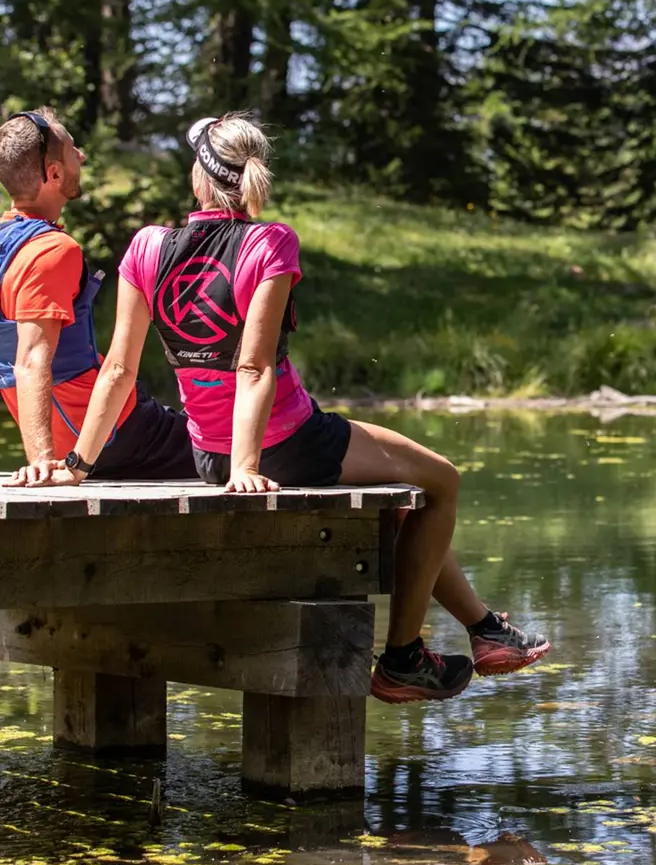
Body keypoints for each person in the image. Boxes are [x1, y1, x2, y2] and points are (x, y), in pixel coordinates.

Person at [10, 113, 549, 704]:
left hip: (206, 452)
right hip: (288, 442)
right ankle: (402, 660)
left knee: (397, 511)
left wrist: (79, 466)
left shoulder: (146, 246)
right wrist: (247, 467)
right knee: (441, 480)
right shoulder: (270, 242)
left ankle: (485, 631)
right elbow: (254, 366)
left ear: (200, 178)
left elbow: (118, 370)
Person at [0, 109, 195, 480]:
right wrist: (40, 459)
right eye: (74, 151)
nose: (83, 156)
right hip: (113, 435)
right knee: (237, 446)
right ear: (53, 173)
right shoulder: (52, 251)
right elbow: (31, 360)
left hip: (78, 440)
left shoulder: (5, 247)